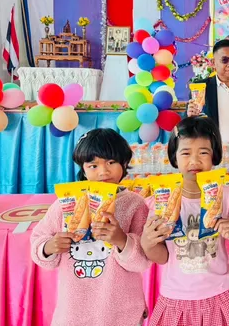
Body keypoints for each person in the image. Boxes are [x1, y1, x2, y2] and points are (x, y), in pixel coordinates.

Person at [30, 129, 150, 326]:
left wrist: (122, 240)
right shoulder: (67, 203)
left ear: (124, 163)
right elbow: (38, 241)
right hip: (74, 313)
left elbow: (143, 263)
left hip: (122, 313)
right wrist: (49, 247)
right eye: (93, 165)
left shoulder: (135, 204)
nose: (103, 172)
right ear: (83, 169)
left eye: (111, 162)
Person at [142, 116, 229, 326]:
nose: (194, 161)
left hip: (220, 295)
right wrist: (147, 243)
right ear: (174, 157)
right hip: (176, 298)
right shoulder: (161, 201)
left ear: (214, 156)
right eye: (186, 153)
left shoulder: (227, 196)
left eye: (203, 152)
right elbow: (162, 257)